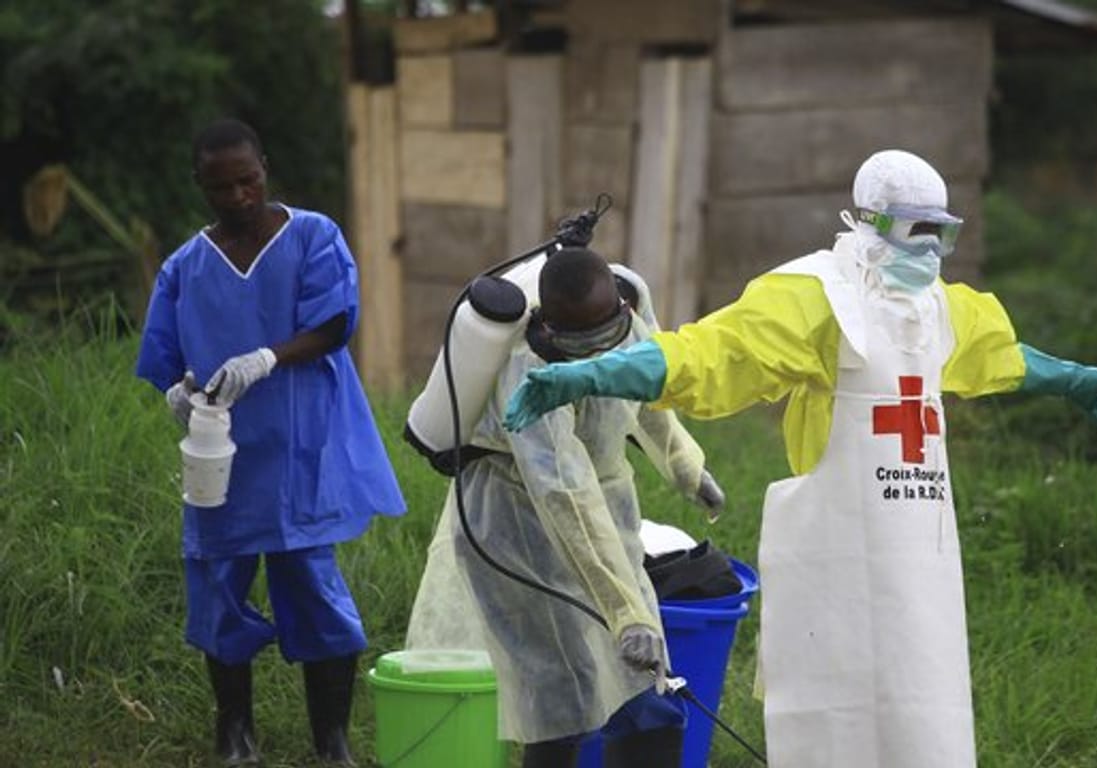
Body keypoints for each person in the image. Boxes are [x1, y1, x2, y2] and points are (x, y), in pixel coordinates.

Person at [503, 150, 1097, 767]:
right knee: (841, 711)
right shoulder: (816, 296)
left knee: (927, 701)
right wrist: (591, 376)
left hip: (921, 565)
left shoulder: (941, 308)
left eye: (940, 234)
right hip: (837, 561)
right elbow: (708, 353)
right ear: (871, 221)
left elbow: (999, 357)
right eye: (916, 231)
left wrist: (1071, 377)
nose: (928, 251)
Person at [135, 118, 406, 766]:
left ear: (265, 166)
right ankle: (235, 734)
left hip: (298, 445)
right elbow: (166, 353)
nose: (238, 197)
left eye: (248, 180)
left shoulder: (312, 237)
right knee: (217, 588)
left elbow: (335, 322)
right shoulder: (186, 266)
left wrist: (267, 357)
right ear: (199, 184)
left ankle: (331, 739)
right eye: (222, 186)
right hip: (220, 456)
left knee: (313, 585)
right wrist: (178, 389)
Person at [403, 247, 725, 768]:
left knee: (647, 685)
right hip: (518, 528)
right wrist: (625, 615)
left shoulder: (627, 307)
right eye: (583, 345)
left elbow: (643, 385)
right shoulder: (528, 374)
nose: (599, 353)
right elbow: (564, 494)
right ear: (550, 331)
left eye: (609, 335)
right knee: (561, 694)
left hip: (606, 509)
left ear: (621, 306)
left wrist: (686, 467)